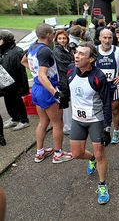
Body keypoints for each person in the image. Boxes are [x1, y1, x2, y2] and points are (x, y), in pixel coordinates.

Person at [67, 42, 113, 205]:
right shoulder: (70, 70)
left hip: (95, 120)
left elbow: (107, 103)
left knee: (101, 154)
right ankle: (91, 157)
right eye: (76, 53)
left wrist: (107, 128)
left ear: (92, 59)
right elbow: (68, 89)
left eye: (81, 54)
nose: (77, 56)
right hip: (78, 119)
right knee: (76, 154)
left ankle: (102, 184)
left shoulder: (98, 76)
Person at [21, 23, 73, 164]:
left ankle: (40, 152)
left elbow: (23, 60)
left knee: (43, 121)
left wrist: (35, 72)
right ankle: (58, 153)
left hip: (37, 88)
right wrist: (56, 94)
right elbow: (44, 76)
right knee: (58, 123)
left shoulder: (33, 46)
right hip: (47, 88)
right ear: (49, 35)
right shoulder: (45, 51)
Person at [95, 29, 119, 144]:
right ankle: (103, 132)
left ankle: (116, 132)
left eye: (110, 38)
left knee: (114, 110)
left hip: (114, 85)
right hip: (99, 87)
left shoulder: (118, 51)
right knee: (99, 110)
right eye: (104, 38)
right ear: (100, 38)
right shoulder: (94, 50)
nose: (107, 40)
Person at [0, 30, 30, 131]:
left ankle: (24, 120)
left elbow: (21, 71)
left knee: (16, 101)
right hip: (5, 83)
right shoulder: (3, 50)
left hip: (15, 84)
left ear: (4, 40)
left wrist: (22, 87)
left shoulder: (17, 52)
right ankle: (14, 118)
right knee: (8, 101)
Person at [53, 30, 75, 135]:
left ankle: (71, 125)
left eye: (64, 38)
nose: (62, 40)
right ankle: (67, 127)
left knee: (70, 103)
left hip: (68, 78)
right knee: (66, 104)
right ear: (56, 40)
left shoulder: (67, 49)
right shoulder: (57, 51)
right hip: (63, 80)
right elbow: (64, 66)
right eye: (60, 38)